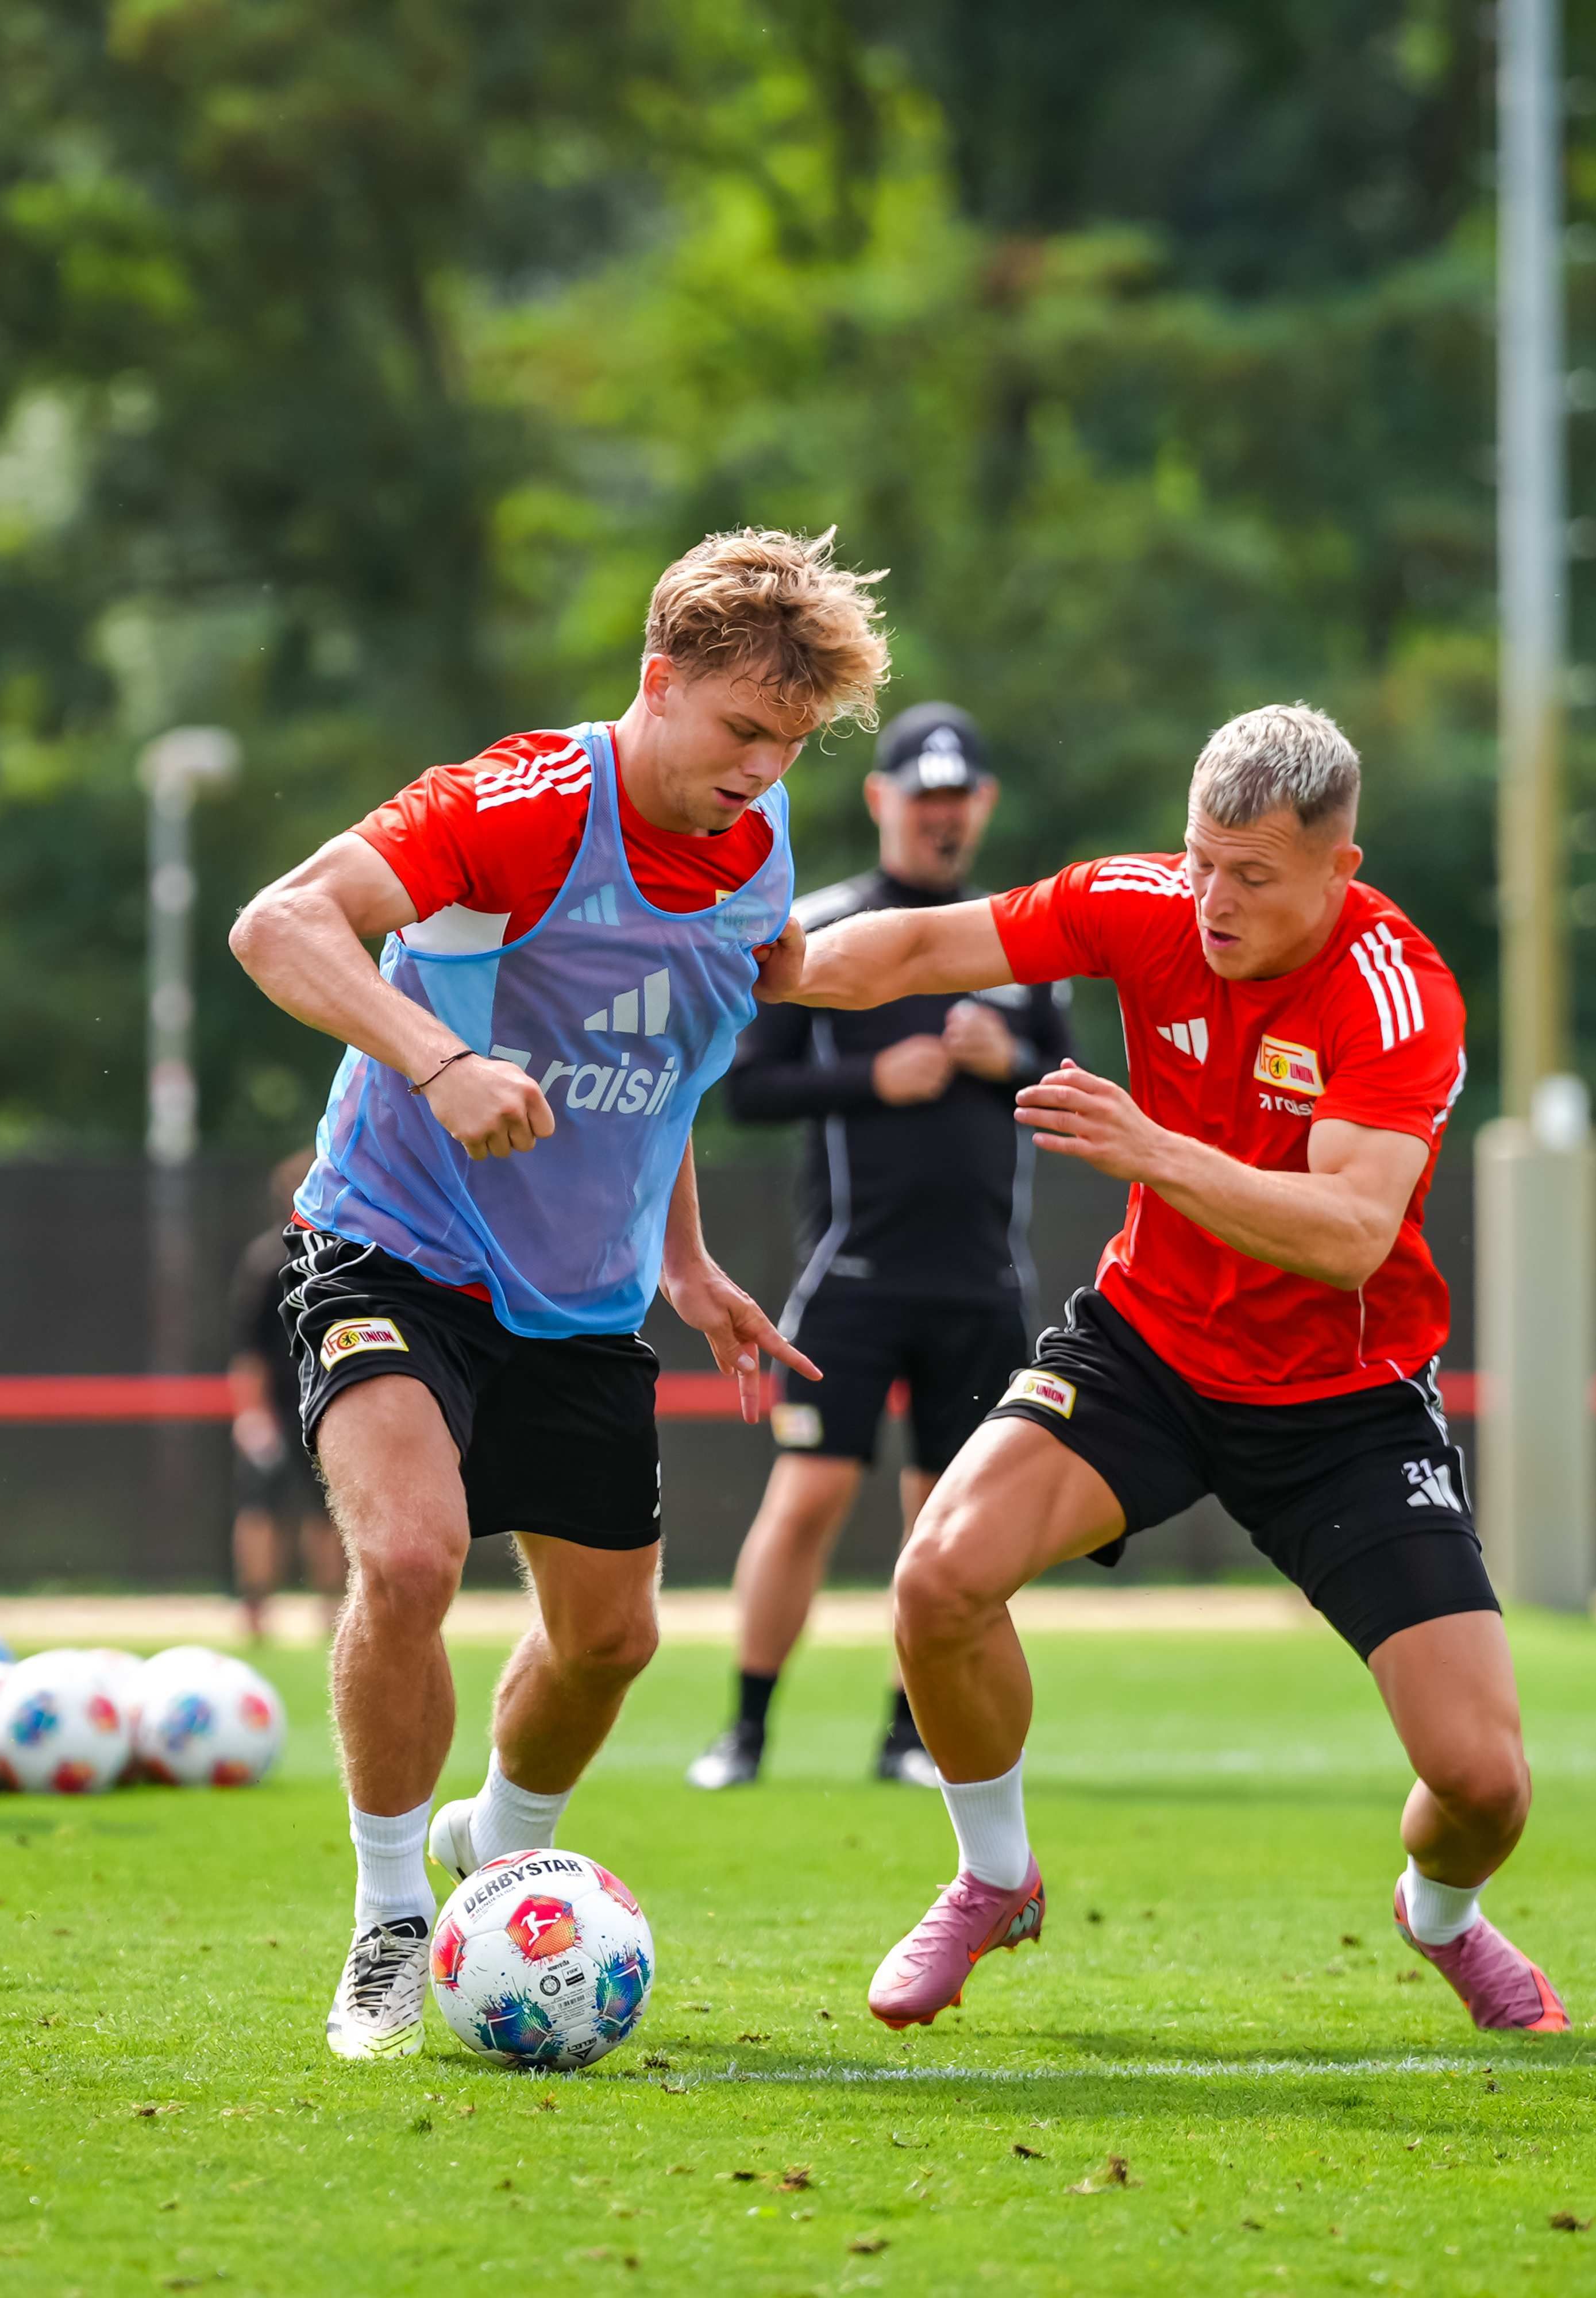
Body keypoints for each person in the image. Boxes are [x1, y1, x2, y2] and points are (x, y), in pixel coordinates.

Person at [762, 701, 1568, 2034]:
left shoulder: (1396, 990)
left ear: (1339, 869)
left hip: (1342, 1403)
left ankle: (1442, 1914)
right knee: (938, 1580)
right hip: (1150, 1349)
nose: (1211, 897)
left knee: (1484, 1784)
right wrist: (760, 966)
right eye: (1200, 857)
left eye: (1252, 874)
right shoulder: (1140, 902)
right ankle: (993, 1876)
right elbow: (907, 946)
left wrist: (1155, 1153)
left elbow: (1352, 1235)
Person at [228, 526, 888, 2061]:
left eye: (789, 744)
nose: (761, 767)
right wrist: (440, 1061)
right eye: (739, 730)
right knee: (409, 1559)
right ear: (658, 682)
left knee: (611, 1644)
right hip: (392, 1239)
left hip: (585, 1297)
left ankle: (496, 1847)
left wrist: (687, 1262)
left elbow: (659, 1071)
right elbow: (280, 926)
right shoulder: (519, 801)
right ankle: (393, 1916)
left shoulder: (762, 845)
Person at [687, 701, 1068, 1792]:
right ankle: (747, 1730)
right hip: (854, 1275)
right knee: (809, 1495)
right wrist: (871, 1079)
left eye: (959, 800)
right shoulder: (824, 926)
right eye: (922, 798)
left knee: (948, 1522)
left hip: (982, 1283)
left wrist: (1006, 1059)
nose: (941, 820)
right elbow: (745, 1085)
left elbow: (1072, 1084)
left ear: (983, 805)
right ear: (880, 801)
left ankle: (912, 1736)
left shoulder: (1020, 940)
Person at [226, 1147, 343, 1642]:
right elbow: (249, 1351)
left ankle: (334, 1616)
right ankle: (260, 1613)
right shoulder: (274, 1261)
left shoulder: (332, 1256)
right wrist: (252, 1417)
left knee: (329, 1514)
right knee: (268, 1512)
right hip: (293, 1407)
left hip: (324, 1403)